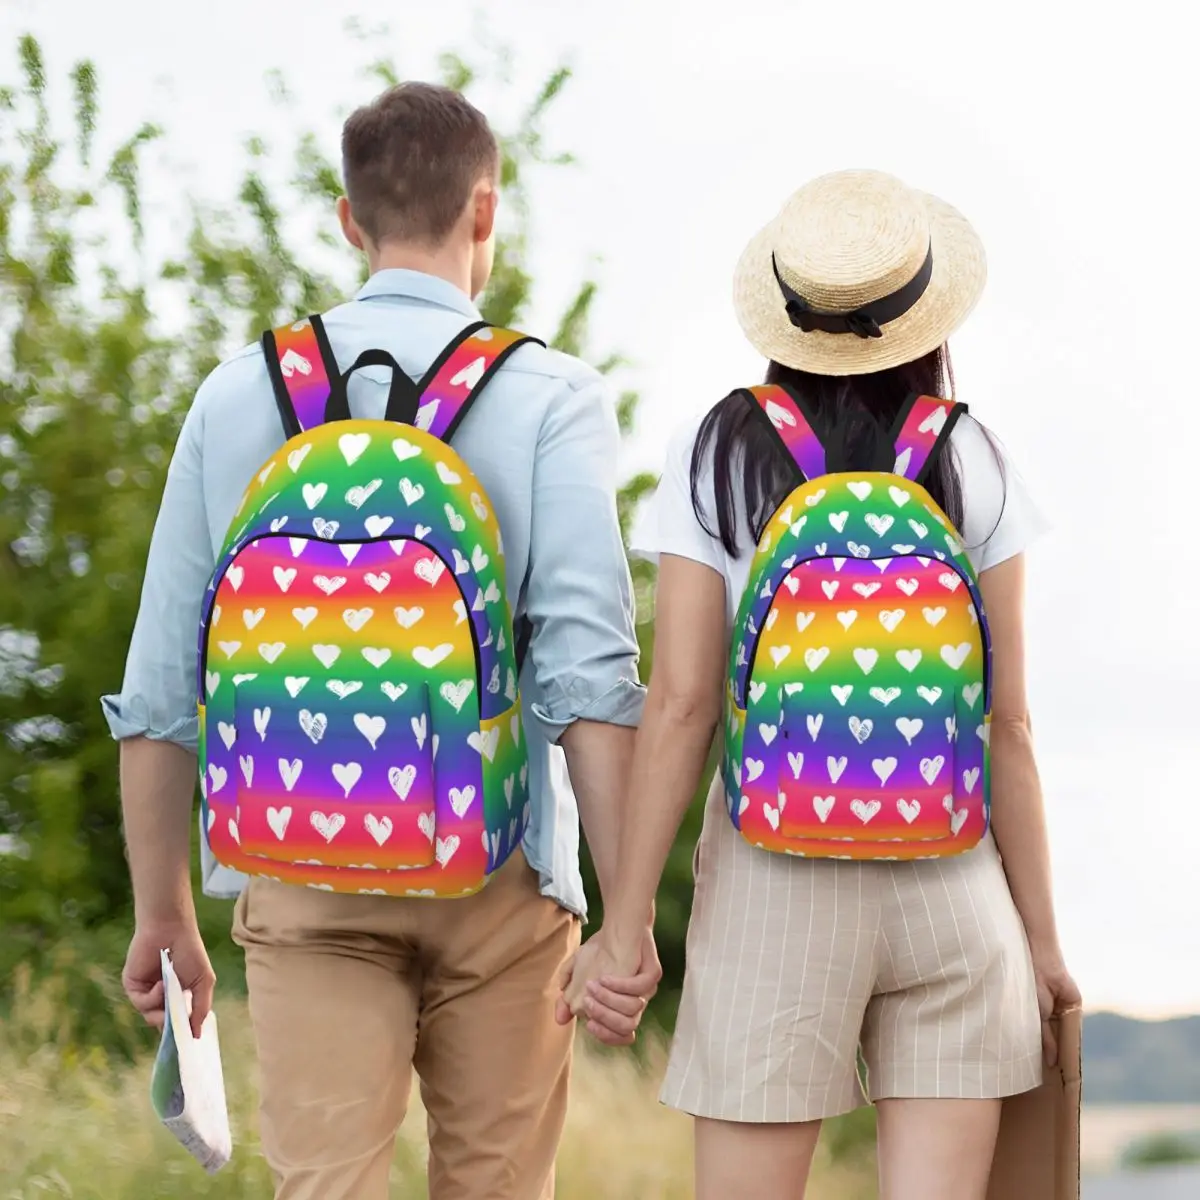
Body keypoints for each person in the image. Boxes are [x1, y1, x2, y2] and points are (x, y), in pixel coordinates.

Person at [106, 81, 660, 1200]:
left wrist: (163, 911)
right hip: (501, 871)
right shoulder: (549, 395)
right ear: (485, 213)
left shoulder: (237, 395)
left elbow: (163, 684)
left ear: (349, 219)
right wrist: (628, 916)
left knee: (325, 1186)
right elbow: (589, 680)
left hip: (298, 869)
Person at [563, 169, 1081, 1200]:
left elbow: (681, 706)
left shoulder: (718, 453)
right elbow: (1008, 724)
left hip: (773, 882)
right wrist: (1043, 944)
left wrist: (623, 927)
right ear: (925, 315)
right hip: (953, 882)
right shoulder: (973, 457)